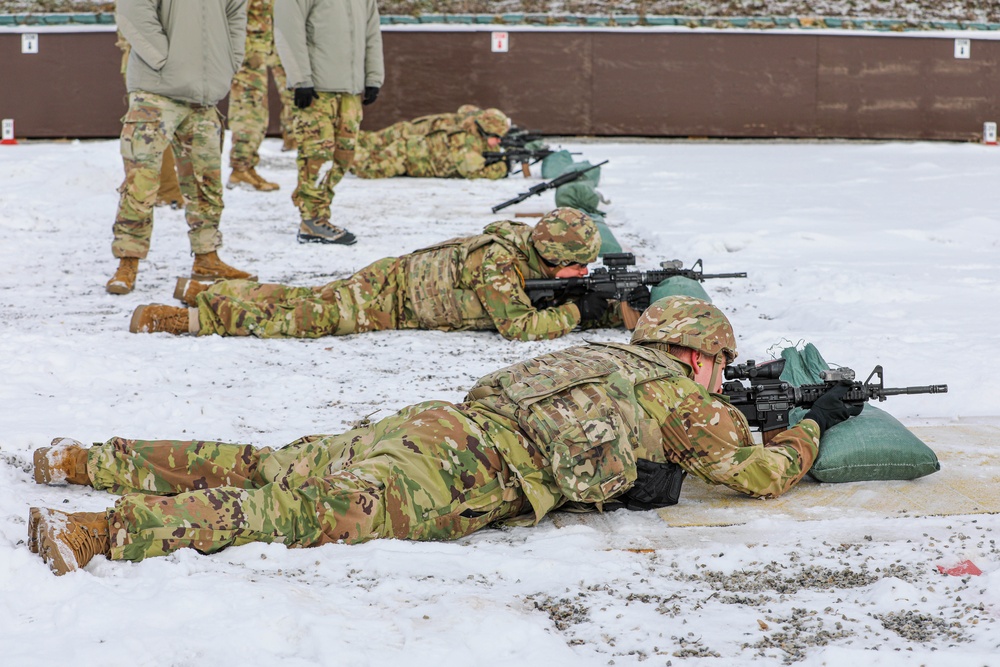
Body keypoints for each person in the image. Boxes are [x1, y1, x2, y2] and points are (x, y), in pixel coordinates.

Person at [27, 296, 866, 575]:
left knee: (265, 461)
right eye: (720, 363)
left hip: (435, 422)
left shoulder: (603, 353)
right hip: (461, 472)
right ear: (698, 356)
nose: (722, 375)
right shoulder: (685, 398)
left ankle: (83, 457)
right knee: (289, 512)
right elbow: (756, 474)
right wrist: (809, 429)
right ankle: (99, 531)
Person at [126, 208, 625, 341]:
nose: (583, 271)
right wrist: (577, 313)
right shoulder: (497, 262)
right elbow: (518, 327)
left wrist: (598, 307)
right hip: (391, 298)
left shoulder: (528, 251)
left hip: (399, 279)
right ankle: (182, 319)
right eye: (578, 263)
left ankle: (202, 290)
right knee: (304, 317)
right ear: (552, 252)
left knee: (306, 297)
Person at [107, 0, 256, 296]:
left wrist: (229, 61)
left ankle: (207, 257)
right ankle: (128, 259)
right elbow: (133, 10)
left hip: (204, 95)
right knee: (141, 179)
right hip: (155, 89)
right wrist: (166, 59)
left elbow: (236, 14)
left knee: (206, 181)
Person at [274, 0, 384, 245]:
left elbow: (372, 32)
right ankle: (311, 219)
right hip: (317, 90)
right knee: (317, 156)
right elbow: (287, 30)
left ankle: (319, 212)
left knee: (343, 156)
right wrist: (301, 79)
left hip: (351, 90)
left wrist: (373, 76)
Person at [226, 0, 296, 192]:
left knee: (288, 96)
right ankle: (240, 168)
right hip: (248, 51)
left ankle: (248, 167)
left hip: (271, 43)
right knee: (249, 111)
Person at [114, 31, 184, 209]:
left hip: (164, 58)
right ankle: (164, 191)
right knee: (155, 128)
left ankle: (161, 189)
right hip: (150, 61)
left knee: (163, 125)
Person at [351, 106, 510, 180]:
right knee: (365, 168)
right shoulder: (464, 141)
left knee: (368, 142)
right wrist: (503, 167)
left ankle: (344, 143)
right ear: (484, 131)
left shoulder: (473, 129)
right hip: (406, 154)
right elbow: (474, 172)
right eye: (496, 136)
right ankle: (340, 148)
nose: (498, 141)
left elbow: (465, 109)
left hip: (412, 143)